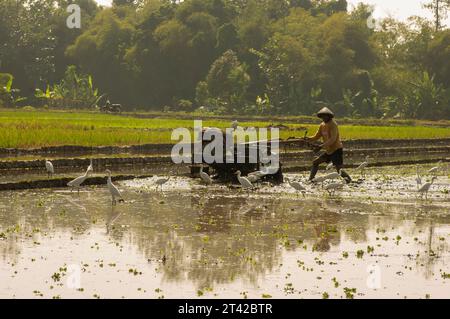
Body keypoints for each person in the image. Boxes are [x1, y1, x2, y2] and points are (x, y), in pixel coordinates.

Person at [307, 107, 352, 183]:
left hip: (336, 149)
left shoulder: (333, 124)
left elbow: (332, 139)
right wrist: (307, 139)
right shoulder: (322, 125)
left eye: (325, 116)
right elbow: (316, 136)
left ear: (329, 116)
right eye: (322, 116)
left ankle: (349, 180)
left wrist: (320, 146)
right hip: (328, 150)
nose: (324, 118)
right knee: (315, 162)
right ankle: (310, 179)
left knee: (339, 169)